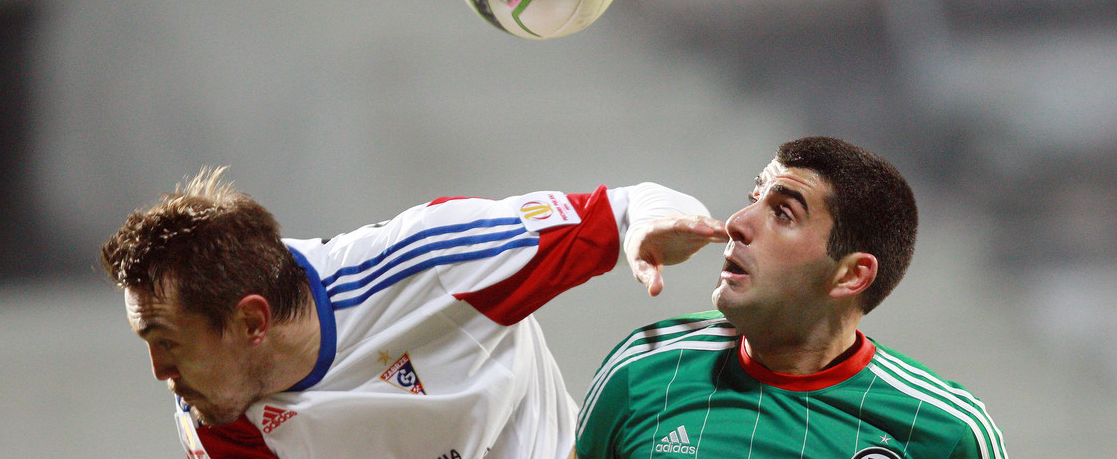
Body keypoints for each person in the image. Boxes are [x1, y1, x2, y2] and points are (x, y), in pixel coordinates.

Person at [100, 167, 727, 459]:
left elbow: (624, 206)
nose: (160, 372)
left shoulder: (431, 262)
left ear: (253, 322)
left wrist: (646, 224)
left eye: (167, 342)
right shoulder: (219, 423)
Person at [576, 136, 1007, 459]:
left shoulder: (948, 432)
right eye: (754, 199)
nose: (737, 223)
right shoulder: (642, 368)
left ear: (852, 274)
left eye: (783, 213)